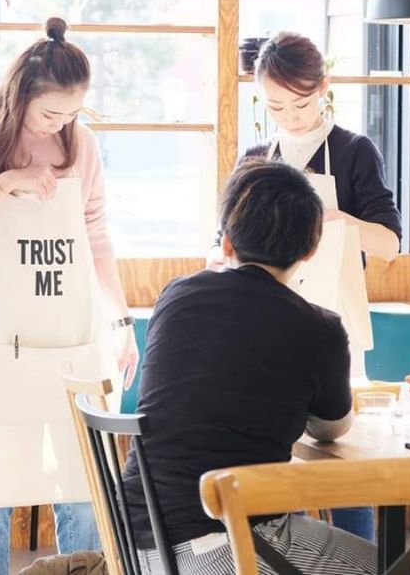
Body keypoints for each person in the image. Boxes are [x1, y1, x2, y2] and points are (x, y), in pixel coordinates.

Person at [0, 17, 139, 575]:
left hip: (72, 335)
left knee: (82, 483)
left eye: (71, 114)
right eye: (49, 114)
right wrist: (4, 184)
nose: (60, 126)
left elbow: (96, 237)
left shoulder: (80, 144)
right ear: (20, 94)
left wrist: (121, 323)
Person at [124, 158, 376, 575]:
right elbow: (332, 428)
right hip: (228, 543)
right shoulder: (319, 328)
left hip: (136, 545)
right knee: (399, 568)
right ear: (311, 250)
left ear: (226, 242)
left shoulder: (176, 296)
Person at [211, 31, 400, 541]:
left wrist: (335, 220)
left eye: (301, 103)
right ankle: (281, 554)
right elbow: (220, 242)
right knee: (272, 453)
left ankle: (357, 559)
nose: (290, 117)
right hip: (260, 329)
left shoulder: (354, 152)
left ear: (324, 88)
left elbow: (389, 244)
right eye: (276, 107)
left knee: (343, 458)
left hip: (331, 327)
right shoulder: (257, 157)